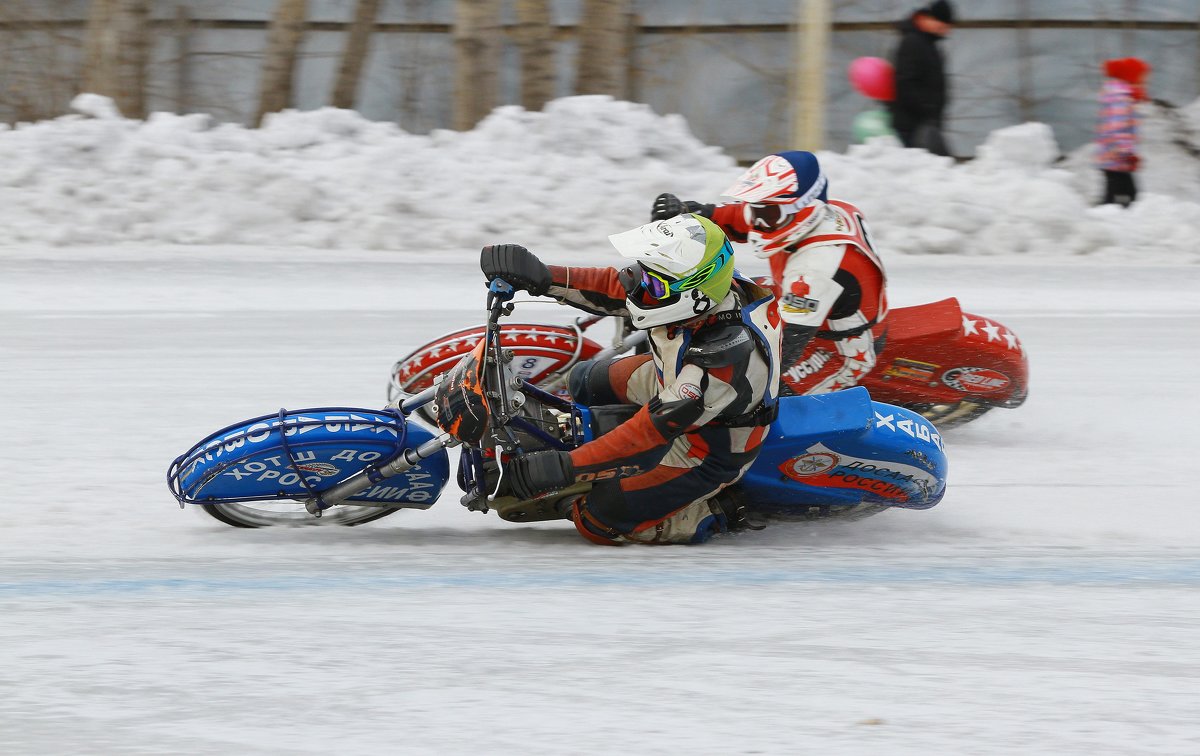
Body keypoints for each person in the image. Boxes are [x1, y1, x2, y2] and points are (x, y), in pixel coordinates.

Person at [479, 214, 781, 545]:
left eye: (652, 283)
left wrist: (566, 467)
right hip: (672, 380)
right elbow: (615, 286)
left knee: (596, 519)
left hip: (709, 447)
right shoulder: (705, 288)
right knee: (584, 380)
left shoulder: (721, 358)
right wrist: (541, 275)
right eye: (642, 270)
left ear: (693, 294)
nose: (638, 285)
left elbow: (648, 432)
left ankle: (716, 511)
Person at [650, 150, 887, 398]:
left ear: (804, 209)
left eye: (767, 213)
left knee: (753, 397)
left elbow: (783, 349)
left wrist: (717, 371)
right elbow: (739, 218)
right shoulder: (790, 215)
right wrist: (687, 213)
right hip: (805, 306)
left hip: (836, 348)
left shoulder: (817, 265)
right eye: (757, 209)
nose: (758, 221)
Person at [888, 1, 955, 156]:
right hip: (913, 126)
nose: (946, 31)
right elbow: (904, 82)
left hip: (925, 123)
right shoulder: (912, 42)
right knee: (935, 169)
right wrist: (927, 108)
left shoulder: (928, 44)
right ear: (930, 19)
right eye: (943, 25)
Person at [1097, 57, 1150, 208]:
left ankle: (1103, 223)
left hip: (1115, 159)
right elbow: (1117, 128)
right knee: (1126, 199)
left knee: (1120, 198)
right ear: (1130, 77)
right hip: (1116, 159)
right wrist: (1128, 153)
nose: (1143, 82)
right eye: (1141, 78)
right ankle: (1104, 225)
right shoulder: (1121, 99)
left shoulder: (1121, 97)